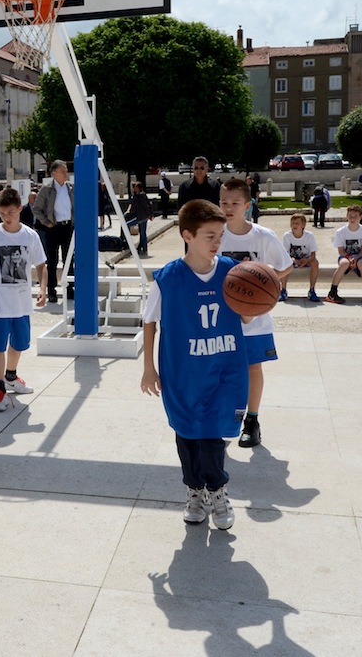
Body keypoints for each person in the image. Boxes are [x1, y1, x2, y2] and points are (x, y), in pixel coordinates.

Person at [140, 199, 248, 530]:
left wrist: (255, 303)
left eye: (220, 236)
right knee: (187, 436)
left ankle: (217, 491)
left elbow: (246, 314)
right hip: (182, 373)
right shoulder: (168, 279)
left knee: (213, 437)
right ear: (187, 235)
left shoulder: (234, 271)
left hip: (225, 369)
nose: (217, 244)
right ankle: (194, 491)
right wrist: (148, 367)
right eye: (210, 236)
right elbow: (150, 323)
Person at [218, 178, 291, 449]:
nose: (228, 207)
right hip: (222, 317)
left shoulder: (262, 236)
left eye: (235, 203)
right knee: (222, 371)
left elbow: (285, 266)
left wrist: (264, 281)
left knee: (252, 368)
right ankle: (225, 420)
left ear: (247, 205)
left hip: (254, 319)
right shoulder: (215, 233)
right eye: (224, 202)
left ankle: (252, 421)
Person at [0, 187, 46, 412]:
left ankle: (11, 377)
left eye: (11, 213)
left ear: (20, 209)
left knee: (19, 343)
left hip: (22, 302)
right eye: (3, 214)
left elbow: (41, 264)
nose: (7, 218)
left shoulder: (30, 235)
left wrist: (43, 288)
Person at [32, 160, 75, 304]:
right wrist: (46, 222)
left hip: (68, 227)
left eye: (66, 170)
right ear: (54, 173)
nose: (66, 173)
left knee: (69, 259)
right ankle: (51, 291)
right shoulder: (47, 189)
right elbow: (36, 209)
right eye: (63, 171)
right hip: (53, 227)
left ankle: (69, 288)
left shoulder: (71, 188)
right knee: (52, 261)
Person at [326, 205, 362, 304]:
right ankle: (332, 292)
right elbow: (341, 251)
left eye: (355, 216)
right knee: (344, 263)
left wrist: (356, 258)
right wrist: (349, 258)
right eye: (350, 216)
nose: (352, 218)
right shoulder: (340, 232)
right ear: (347, 216)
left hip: (360, 256)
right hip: (345, 256)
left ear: (360, 217)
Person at [281, 212, 320, 302]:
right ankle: (283, 290)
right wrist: (294, 260)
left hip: (306, 259)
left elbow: (313, 254)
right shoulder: (287, 236)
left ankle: (312, 290)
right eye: (293, 223)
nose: (295, 225)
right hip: (291, 260)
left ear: (303, 225)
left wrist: (306, 261)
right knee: (283, 263)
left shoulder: (309, 236)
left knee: (315, 263)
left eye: (297, 223)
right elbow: (285, 253)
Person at [128, 181, 153, 256]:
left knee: (142, 232)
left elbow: (145, 206)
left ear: (138, 188)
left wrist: (150, 215)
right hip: (142, 216)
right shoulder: (139, 195)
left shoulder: (141, 195)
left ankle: (144, 248)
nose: (134, 189)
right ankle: (142, 248)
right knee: (142, 232)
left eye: (135, 187)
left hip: (142, 217)